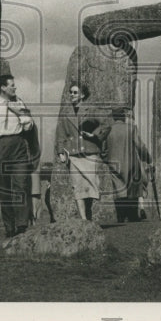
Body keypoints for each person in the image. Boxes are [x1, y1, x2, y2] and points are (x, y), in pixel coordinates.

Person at [0, 74, 33, 238]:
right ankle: (9, 228)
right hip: (1, 147)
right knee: (4, 189)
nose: (14, 87)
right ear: (3, 87)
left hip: (18, 145)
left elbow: (29, 126)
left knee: (21, 185)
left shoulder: (19, 103)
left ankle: (22, 226)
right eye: (11, 85)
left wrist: (19, 113)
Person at [54, 83, 110, 221]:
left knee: (90, 188)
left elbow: (107, 124)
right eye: (71, 92)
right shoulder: (66, 113)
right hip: (73, 155)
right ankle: (84, 220)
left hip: (90, 153)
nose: (72, 95)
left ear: (82, 95)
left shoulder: (92, 110)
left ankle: (88, 216)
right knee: (77, 188)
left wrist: (95, 135)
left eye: (75, 92)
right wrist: (60, 152)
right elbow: (60, 134)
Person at [105, 106, 151, 223]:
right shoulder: (131, 128)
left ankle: (121, 217)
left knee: (118, 189)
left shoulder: (108, 130)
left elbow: (103, 149)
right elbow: (140, 146)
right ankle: (133, 216)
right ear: (124, 116)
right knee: (132, 189)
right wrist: (147, 157)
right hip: (131, 163)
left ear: (114, 117)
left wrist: (108, 160)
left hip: (114, 164)